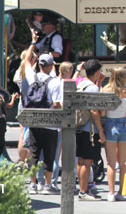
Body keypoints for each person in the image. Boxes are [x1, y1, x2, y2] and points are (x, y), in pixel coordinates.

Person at [25, 53, 62, 195]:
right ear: (52, 65)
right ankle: (47, 185)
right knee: (49, 154)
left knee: (33, 153)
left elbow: (27, 62)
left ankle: (33, 185)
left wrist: (33, 42)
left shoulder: (31, 77)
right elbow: (57, 103)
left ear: (39, 64)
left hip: (34, 121)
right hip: (50, 123)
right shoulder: (55, 82)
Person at [101, 67, 126, 201]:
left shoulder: (106, 90)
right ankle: (121, 193)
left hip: (110, 124)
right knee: (122, 163)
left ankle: (110, 193)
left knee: (110, 163)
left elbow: (103, 113)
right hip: (124, 125)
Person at [77, 59, 107, 201]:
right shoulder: (93, 88)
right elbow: (95, 111)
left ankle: (82, 189)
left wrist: (99, 84)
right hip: (90, 130)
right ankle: (84, 192)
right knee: (88, 161)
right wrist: (100, 130)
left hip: (79, 128)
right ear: (96, 72)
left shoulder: (82, 84)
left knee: (81, 160)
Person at [51, 61, 74, 189]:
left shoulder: (57, 81)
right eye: (71, 70)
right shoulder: (61, 83)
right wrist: (64, 115)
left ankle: (54, 181)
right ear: (66, 71)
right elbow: (57, 103)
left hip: (61, 121)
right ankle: (54, 182)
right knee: (57, 153)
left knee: (59, 153)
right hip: (61, 121)